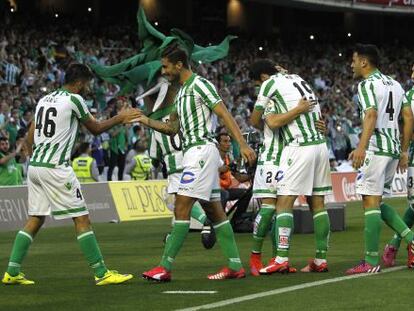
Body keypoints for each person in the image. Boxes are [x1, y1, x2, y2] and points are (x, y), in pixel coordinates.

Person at [2, 63, 139, 286]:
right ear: (79, 83)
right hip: (56, 167)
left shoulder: (44, 100)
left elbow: (31, 132)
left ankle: (12, 272)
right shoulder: (74, 99)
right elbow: (95, 128)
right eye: (87, 84)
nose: (88, 88)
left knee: (35, 219)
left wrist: (31, 153)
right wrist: (120, 117)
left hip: (36, 166)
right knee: (82, 218)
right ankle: (102, 273)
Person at [137, 44, 256, 282]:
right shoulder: (181, 93)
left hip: (201, 151)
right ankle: (234, 265)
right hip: (195, 152)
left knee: (182, 205)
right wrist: (144, 120)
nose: (164, 71)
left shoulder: (200, 85)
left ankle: (164, 267)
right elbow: (172, 129)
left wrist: (241, 143)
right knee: (214, 210)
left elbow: (223, 113)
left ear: (179, 64)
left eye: (166, 66)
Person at [256, 61, 332, 275]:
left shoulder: (269, 83)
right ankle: (320, 259)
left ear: (262, 76)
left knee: (284, 201)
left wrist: (295, 111)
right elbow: (316, 114)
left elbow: (269, 122)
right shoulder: (300, 79)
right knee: (318, 204)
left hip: (299, 147)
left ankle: (281, 258)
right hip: (320, 145)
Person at [346, 45, 414, 274]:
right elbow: (408, 116)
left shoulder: (366, 84)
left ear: (364, 62)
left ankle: (371, 261)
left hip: (375, 149)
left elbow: (371, 114)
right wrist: (404, 150)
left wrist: (361, 148)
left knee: (369, 202)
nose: (351, 64)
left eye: (354, 60)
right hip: (393, 150)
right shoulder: (395, 84)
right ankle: (412, 240)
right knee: (379, 202)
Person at [383, 64, 414, 267]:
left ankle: (394, 244)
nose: (411, 74)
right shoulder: (410, 95)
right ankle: (400, 245)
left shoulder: (410, 95)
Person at [217, 133, 252, 230]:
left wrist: (252, 175)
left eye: (229, 141)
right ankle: (220, 223)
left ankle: (237, 220)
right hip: (212, 191)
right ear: (218, 144)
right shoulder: (213, 157)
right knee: (224, 194)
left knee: (246, 193)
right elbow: (218, 170)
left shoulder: (229, 158)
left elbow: (239, 178)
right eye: (225, 141)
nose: (228, 144)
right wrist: (229, 166)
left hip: (224, 190)